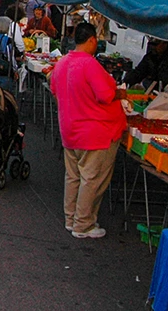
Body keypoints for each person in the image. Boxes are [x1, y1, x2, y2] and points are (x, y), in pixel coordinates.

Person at [50, 22, 126, 239]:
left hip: (70, 129)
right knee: (91, 179)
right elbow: (105, 95)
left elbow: (55, 89)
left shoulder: (63, 62)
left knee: (73, 176)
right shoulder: (90, 65)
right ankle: (83, 224)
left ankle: (70, 218)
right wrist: (120, 94)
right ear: (92, 40)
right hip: (94, 131)